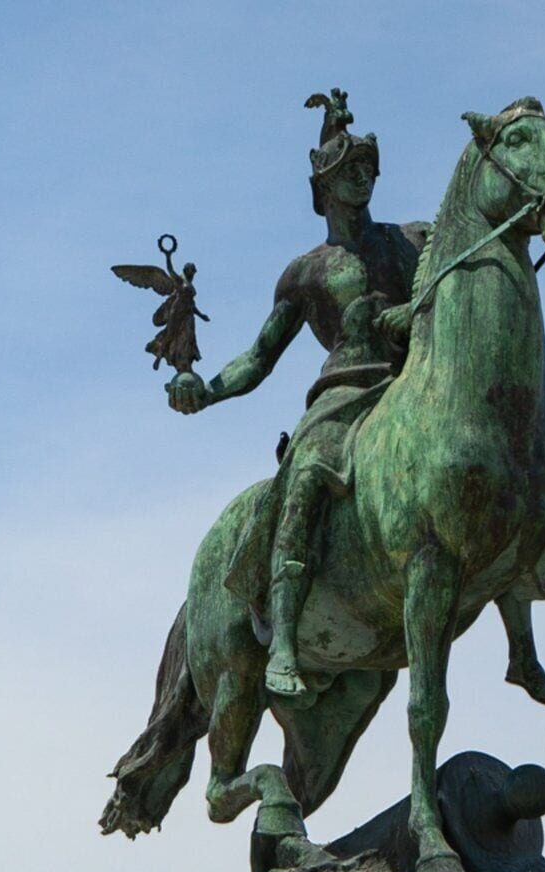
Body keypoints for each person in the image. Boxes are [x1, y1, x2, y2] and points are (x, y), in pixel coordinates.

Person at [161, 89, 429, 703]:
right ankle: (282, 638)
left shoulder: (410, 242)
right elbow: (259, 358)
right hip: (342, 395)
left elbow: (446, 293)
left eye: (368, 169)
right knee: (306, 476)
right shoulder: (306, 272)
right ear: (324, 188)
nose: (362, 179)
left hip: (410, 384)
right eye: (348, 171)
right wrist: (205, 391)